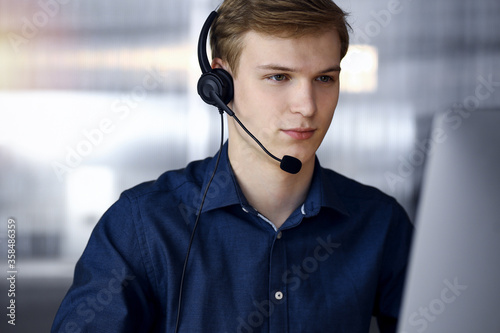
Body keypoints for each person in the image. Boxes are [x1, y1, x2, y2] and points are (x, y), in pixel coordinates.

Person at [52, 0, 413, 332]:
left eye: (324, 78)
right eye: (279, 77)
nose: (307, 106)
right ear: (220, 84)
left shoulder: (381, 223)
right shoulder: (142, 225)